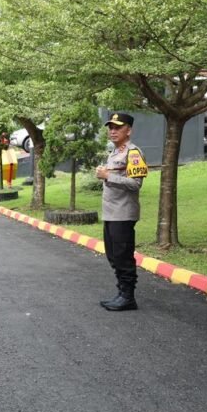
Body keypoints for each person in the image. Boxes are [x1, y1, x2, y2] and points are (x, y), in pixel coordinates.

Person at [95, 112, 145, 312]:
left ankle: (128, 297)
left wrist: (108, 176)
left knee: (123, 256)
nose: (112, 131)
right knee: (113, 255)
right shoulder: (115, 152)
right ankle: (121, 292)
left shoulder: (133, 153)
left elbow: (136, 184)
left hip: (123, 214)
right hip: (111, 213)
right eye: (111, 127)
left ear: (129, 130)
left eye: (118, 127)